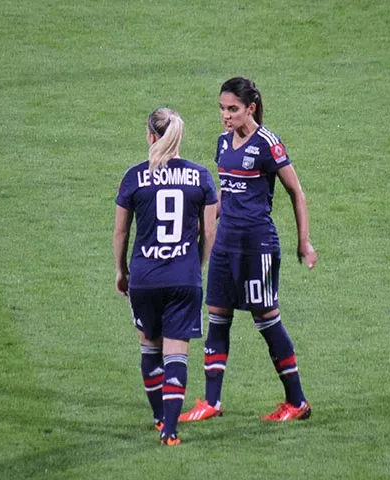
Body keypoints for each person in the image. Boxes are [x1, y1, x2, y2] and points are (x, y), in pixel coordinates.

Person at [179, 77, 318, 423]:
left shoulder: (268, 144)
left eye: (232, 109)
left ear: (250, 108)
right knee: (217, 317)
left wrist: (304, 241)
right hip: (226, 244)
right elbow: (225, 192)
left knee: (267, 319)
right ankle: (212, 401)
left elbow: (296, 193)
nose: (225, 116)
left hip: (257, 246)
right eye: (222, 109)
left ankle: (297, 401)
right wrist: (205, 224)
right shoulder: (224, 143)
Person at [113, 107, 218, 445]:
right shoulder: (200, 177)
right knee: (177, 355)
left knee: (149, 350)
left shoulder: (134, 177)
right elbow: (210, 233)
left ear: (150, 136)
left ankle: (159, 418)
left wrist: (121, 270)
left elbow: (120, 233)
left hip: (145, 277)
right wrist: (195, 266)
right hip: (184, 278)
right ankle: (171, 432)